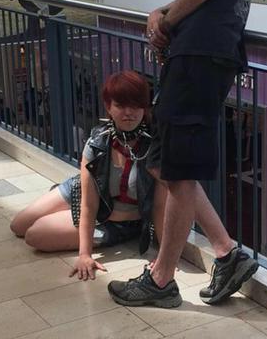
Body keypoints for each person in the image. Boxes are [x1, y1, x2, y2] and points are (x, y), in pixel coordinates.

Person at [107, 0, 267, 308]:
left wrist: (167, 21)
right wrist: (166, 14)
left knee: (176, 167)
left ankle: (161, 280)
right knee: (164, 163)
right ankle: (227, 252)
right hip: (200, 53)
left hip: (202, 56)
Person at [10, 71, 166, 279]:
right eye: (120, 105)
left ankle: (68, 218)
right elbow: (89, 205)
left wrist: (165, 255)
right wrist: (84, 254)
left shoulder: (155, 146)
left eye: (135, 105)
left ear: (144, 107)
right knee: (18, 225)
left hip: (114, 219)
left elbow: (160, 206)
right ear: (109, 107)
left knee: (34, 235)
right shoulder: (97, 141)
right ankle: (62, 205)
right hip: (82, 191)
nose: (129, 113)